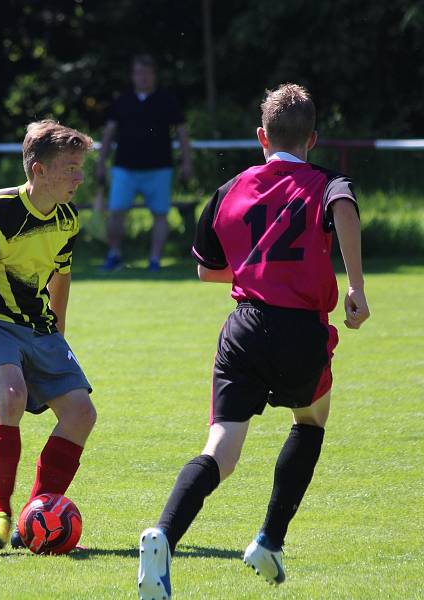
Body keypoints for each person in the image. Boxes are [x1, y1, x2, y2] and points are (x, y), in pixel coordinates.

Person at [137, 84, 370, 599]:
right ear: (313, 138)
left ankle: (164, 535)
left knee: (221, 447)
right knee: (310, 419)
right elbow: (346, 208)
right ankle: (269, 540)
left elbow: (207, 270)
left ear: (261, 136)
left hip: (243, 326)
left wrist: (257, 267)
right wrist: (354, 287)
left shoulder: (228, 190)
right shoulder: (326, 182)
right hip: (300, 328)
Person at [0, 119, 97, 550]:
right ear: (38, 169)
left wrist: (59, 334)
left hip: (40, 328)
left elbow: (60, 278)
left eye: (81, 167)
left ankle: (36, 518)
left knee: (82, 414)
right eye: (70, 168)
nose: (79, 178)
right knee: (9, 397)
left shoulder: (67, 216)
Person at [96, 54, 192, 272]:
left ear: (153, 75)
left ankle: (155, 260)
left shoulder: (167, 99)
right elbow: (109, 133)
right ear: (133, 75)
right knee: (116, 212)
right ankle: (114, 255)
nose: (142, 77)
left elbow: (182, 133)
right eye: (138, 72)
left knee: (160, 214)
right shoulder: (122, 99)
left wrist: (187, 162)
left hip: (160, 168)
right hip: (124, 168)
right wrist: (101, 162)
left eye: (146, 73)